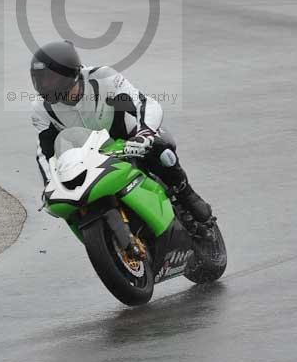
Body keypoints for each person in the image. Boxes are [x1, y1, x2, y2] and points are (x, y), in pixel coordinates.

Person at [30, 39, 213, 224]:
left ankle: (187, 194)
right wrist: (49, 184)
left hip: (128, 140)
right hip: (86, 158)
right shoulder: (40, 108)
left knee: (162, 149)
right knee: (69, 202)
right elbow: (45, 151)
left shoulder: (102, 78)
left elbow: (144, 103)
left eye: (51, 78)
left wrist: (144, 134)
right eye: (41, 79)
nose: (45, 85)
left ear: (70, 73)